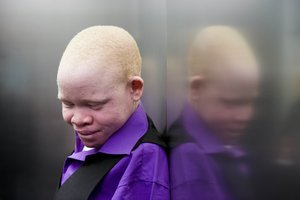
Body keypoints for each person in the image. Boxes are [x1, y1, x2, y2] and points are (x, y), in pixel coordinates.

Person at [54, 26, 169, 200]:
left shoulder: (143, 161)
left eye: (94, 105)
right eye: (68, 103)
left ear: (134, 89)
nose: (78, 120)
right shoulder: (97, 132)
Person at [166, 26, 260, 200]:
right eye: (230, 103)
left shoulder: (223, 146)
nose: (245, 116)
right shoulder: (188, 160)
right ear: (197, 88)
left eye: (250, 102)